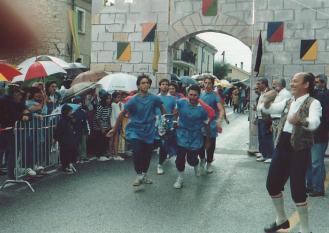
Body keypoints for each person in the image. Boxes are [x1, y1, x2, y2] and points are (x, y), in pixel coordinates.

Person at [262, 72, 322, 233]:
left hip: (299, 150)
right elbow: (268, 109)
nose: (292, 84)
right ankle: (281, 220)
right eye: (292, 81)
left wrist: (301, 121)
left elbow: (315, 122)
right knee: (272, 185)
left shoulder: (314, 103)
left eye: (295, 81)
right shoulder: (289, 101)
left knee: (298, 190)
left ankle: (305, 229)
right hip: (282, 146)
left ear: (306, 84)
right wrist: (266, 100)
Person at [108, 74, 166, 188]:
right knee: (137, 151)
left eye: (147, 82)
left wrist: (164, 124)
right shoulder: (133, 100)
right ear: (138, 85)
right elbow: (121, 114)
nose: (145, 85)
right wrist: (114, 129)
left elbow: (163, 110)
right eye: (143, 83)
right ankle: (139, 175)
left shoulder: (154, 98)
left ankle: (144, 174)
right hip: (135, 130)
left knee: (147, 154)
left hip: (149, 130)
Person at [173, 84, 211, 189]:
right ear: (187, 94)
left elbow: (207, 125)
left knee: (191, 160)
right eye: (191, 94)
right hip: (182, 134)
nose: (192, 97)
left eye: (195, 95)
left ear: (199, 96)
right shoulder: (180, 103)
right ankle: (180, 178)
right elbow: (175, 112)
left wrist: (208, 140)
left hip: (195, 137)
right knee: (179, 159)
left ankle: (196, 164)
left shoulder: (203, 110)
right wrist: (175, 121)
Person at [0, 86, 31, 179]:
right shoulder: (5, 100)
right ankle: (11, 175)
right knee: (11, 152)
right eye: (19, 94)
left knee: (9, 151)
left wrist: (26, 113)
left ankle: (10, 174)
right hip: (6, 129)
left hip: (8, 129)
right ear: (14, 93)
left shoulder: (15, 101)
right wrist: (23, 116)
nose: (21, 97)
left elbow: (26, 111)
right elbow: (12, 116)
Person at [306, 74, 329, 197]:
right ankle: (311, 185)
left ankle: (318, 188)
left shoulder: (323, 96)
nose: (315, 84)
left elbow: (325, 117)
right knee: (311, 162)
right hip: (312, 134)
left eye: (317, 82)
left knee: (316, 162)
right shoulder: (314, 95)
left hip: (319, 134)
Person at [199, 76, 224, 174]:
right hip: (200, 124)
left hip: (211, 125)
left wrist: (219, 120)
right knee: (199, 145)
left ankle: (209, 163)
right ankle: (202, 159)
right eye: (205, 83)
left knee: (210, 146)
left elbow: (221, 110)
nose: (207, 85)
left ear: (212, 84)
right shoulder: (200, 95)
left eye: (209, 83)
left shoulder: (215, 96)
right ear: (203, 83)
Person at [156, 79, 177, 175]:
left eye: (166, 84)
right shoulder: (155, 98)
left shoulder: (172, 98)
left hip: (167, 125)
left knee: (163, 144)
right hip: (155, 124)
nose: (164, 86)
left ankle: (159, 164)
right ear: (159, 86)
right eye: (162, 84)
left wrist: (173, 120)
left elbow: (176, 111)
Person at [269, 79, 291, 163]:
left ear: (280, 85)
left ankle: (279, 161)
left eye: (274, 84)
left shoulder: (285, 94)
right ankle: (277, 159)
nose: (273, 86)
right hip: (275, 120)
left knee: (278, 141)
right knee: (276, 141)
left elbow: (284, 109)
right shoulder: (279, 93)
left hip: (280, 120)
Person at [54, 104, 78, 174]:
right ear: (66, 112)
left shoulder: (69, 119)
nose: (71, 112)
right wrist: (55, 138)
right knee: (65, 153)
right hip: (64, 141)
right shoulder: (62, 121)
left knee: (70, 152)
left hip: (69, 139)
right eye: (70, 111)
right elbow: (58, 132)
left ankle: (69, 164)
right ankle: (65, 167)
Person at [255, 78, 273, 162]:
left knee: (267, 138)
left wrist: (270, 122)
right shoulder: (261, 93)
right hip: (259, 118)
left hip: (266, 119)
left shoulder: (269, 93)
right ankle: (263, 154)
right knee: (261, 138)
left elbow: (270, 106)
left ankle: (269, 156)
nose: (257, 86)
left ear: (264, 84)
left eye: (259, 84)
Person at [94, 90, 112, 161]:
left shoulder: (109, 107)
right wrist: (101, 128)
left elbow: (108, 117)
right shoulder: (100, 106)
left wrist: (109, 126)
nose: (109, 100)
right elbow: (97, 118)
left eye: (110, 98)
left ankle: (104, 153)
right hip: (99, 126)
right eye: (107, 98)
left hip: (106, 125)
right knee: (100, 140)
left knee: (105, 140)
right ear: (104, 99)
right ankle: (99, 155)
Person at [109, 91, 124, 160]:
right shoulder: (115, 105)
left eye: (120, 97)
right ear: (114, 98)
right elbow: (118, 115)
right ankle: (116, 155)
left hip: (112, 123)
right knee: (116, 139)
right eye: (118, 97)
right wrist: (121, 108)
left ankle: (111, 153)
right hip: (116, 124)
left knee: (112, 139)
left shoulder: (112, 104)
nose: (119, 99)